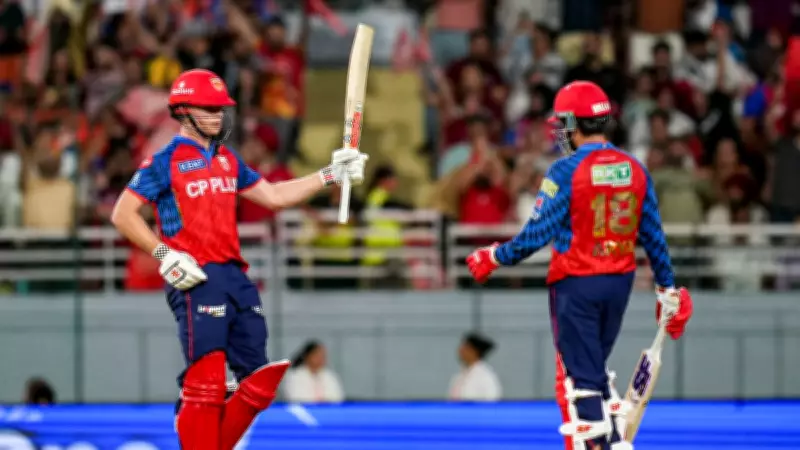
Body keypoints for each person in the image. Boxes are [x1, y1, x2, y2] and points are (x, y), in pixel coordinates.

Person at [110, 68, 368, 450]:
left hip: (234, 274)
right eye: (209, 109)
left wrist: (330, 175)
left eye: (220, 109)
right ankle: (194, 420)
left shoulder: (227, 159)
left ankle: (197, 430)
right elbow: (123, 214)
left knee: (258, 383)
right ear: (183, 111)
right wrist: (165, 255)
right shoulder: (165, 161)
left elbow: (275, 196)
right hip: (195, 275)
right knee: (208, 381)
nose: (218, 116)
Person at [464, 81, 694, 450]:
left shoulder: (565, 170)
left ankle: (603, 443)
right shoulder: (635, 169)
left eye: (562, 124)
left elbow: (535, 236)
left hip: (576, 283)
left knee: (579, 385)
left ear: (573, 123)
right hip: (619, 283)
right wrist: (667, 288)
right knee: (591, 371)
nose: (559, 132)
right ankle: (613, 439)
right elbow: (653, 234)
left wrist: (493, 256)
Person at [447, 332, 502, 402]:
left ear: (474, 352)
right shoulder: (458, 377)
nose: (460, 350)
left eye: (465, 348)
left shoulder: (486, 377)